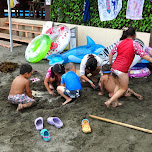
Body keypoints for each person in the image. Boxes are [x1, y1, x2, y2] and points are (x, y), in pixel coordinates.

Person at [105, 27, 152, 108]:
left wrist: (111, 64)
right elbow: (144, 56)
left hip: (114, 67)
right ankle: (109, 101)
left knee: (117, 86)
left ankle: (115, 103)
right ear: (134, 35)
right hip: (122, 70)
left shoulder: (119, 43)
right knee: (123, 88)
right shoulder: (135, 44)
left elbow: (110, 54)